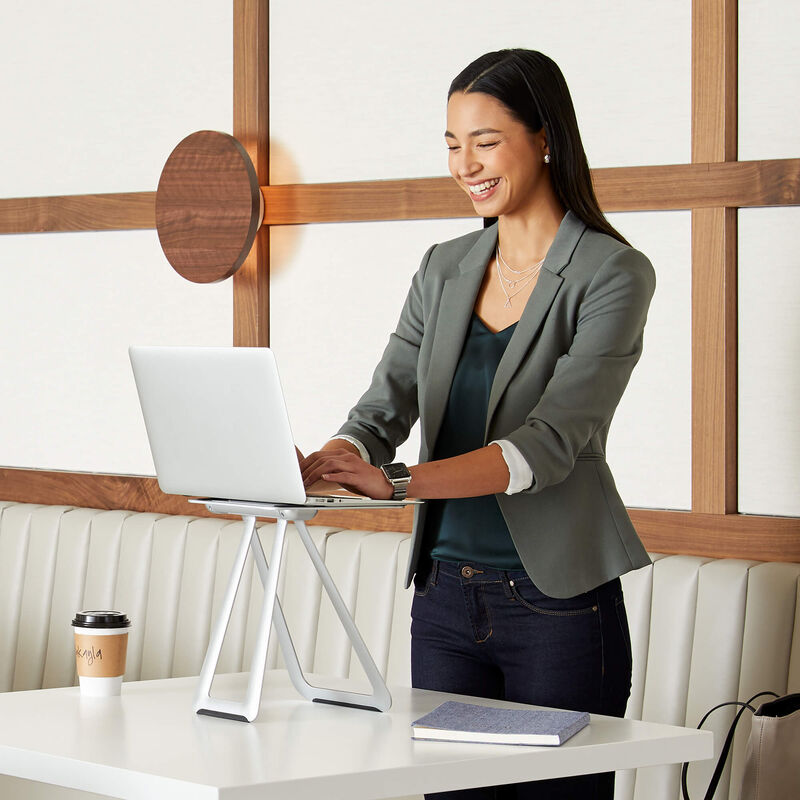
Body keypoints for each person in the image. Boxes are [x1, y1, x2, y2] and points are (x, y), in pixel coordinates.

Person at [300, 48, 655, 800]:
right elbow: (382, 407)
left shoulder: (612, 274)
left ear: (545, 137)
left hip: (557, 605)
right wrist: (332, 458)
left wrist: (394, 481)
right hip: (445, 601)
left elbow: (548, 446)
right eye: (453, 145)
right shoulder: (443, 266)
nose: (466, 164)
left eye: (486, 142)